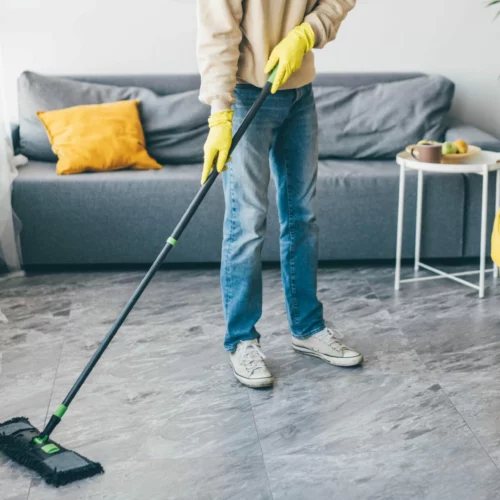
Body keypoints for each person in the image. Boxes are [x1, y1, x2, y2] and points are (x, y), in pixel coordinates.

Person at [197, 0, 362, 388]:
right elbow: (217, 32)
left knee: (303, 217)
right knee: (247, 223)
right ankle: (241, 340)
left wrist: (306, 33)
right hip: (245, 97)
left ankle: (307, 328)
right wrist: (220, 115)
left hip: (299, 93)